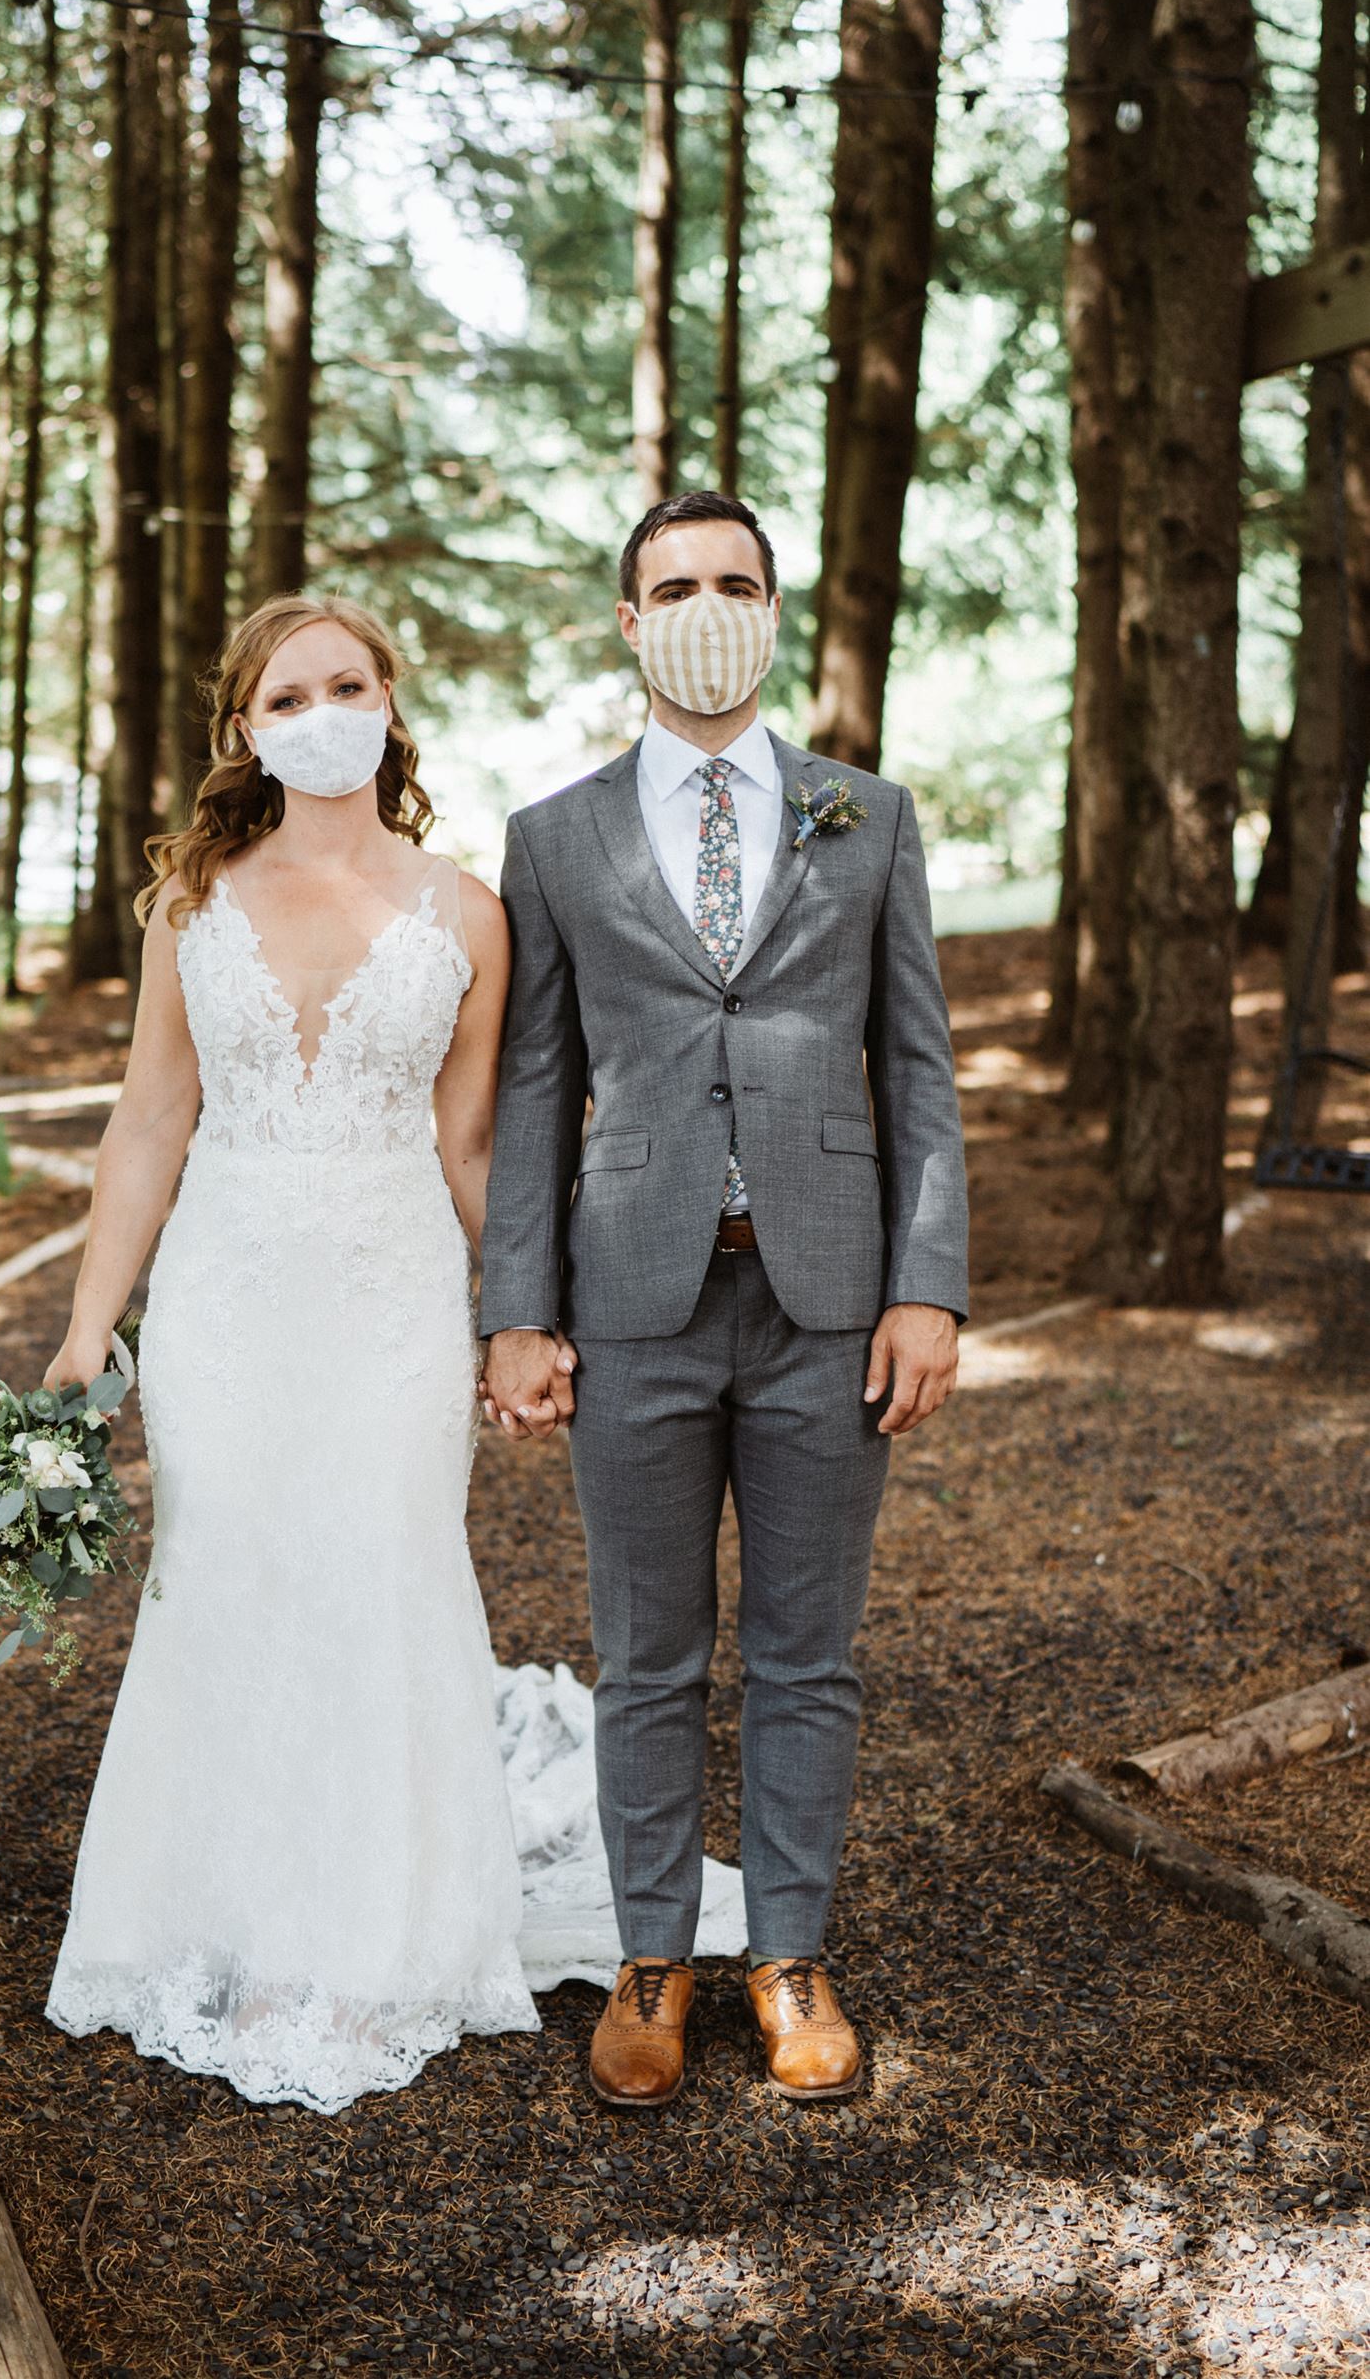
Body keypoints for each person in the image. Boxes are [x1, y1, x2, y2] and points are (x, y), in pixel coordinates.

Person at [40, 590, 745, 2115]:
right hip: (224, 1302)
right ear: (244, 732)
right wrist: (94, 1325)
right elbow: (150, 1122)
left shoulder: (464, 911)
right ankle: (214, 1911)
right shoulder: (191, 905)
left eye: (344, 683)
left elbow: (475, 1141)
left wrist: (521, 1319)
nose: (319, 714)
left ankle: (368, 1932)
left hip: (390, 1306)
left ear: (388, 701)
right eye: (286, 697)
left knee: (377, 1569)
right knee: (225, 1573)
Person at [480, 491, 969, 2109]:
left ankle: (788, 1954)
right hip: (631, 1292)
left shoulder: (865, 815)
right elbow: (538, 1082)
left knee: (807, 1649)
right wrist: (517, 1309)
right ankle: (649, 1955)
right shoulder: (555, 836)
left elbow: (915, 1067)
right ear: (629, 622)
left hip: (827, 1295)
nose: (706, 606)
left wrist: (927, 1289)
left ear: (772, 610)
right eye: (674, 586)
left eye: (735, 584)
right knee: (646, 1651)